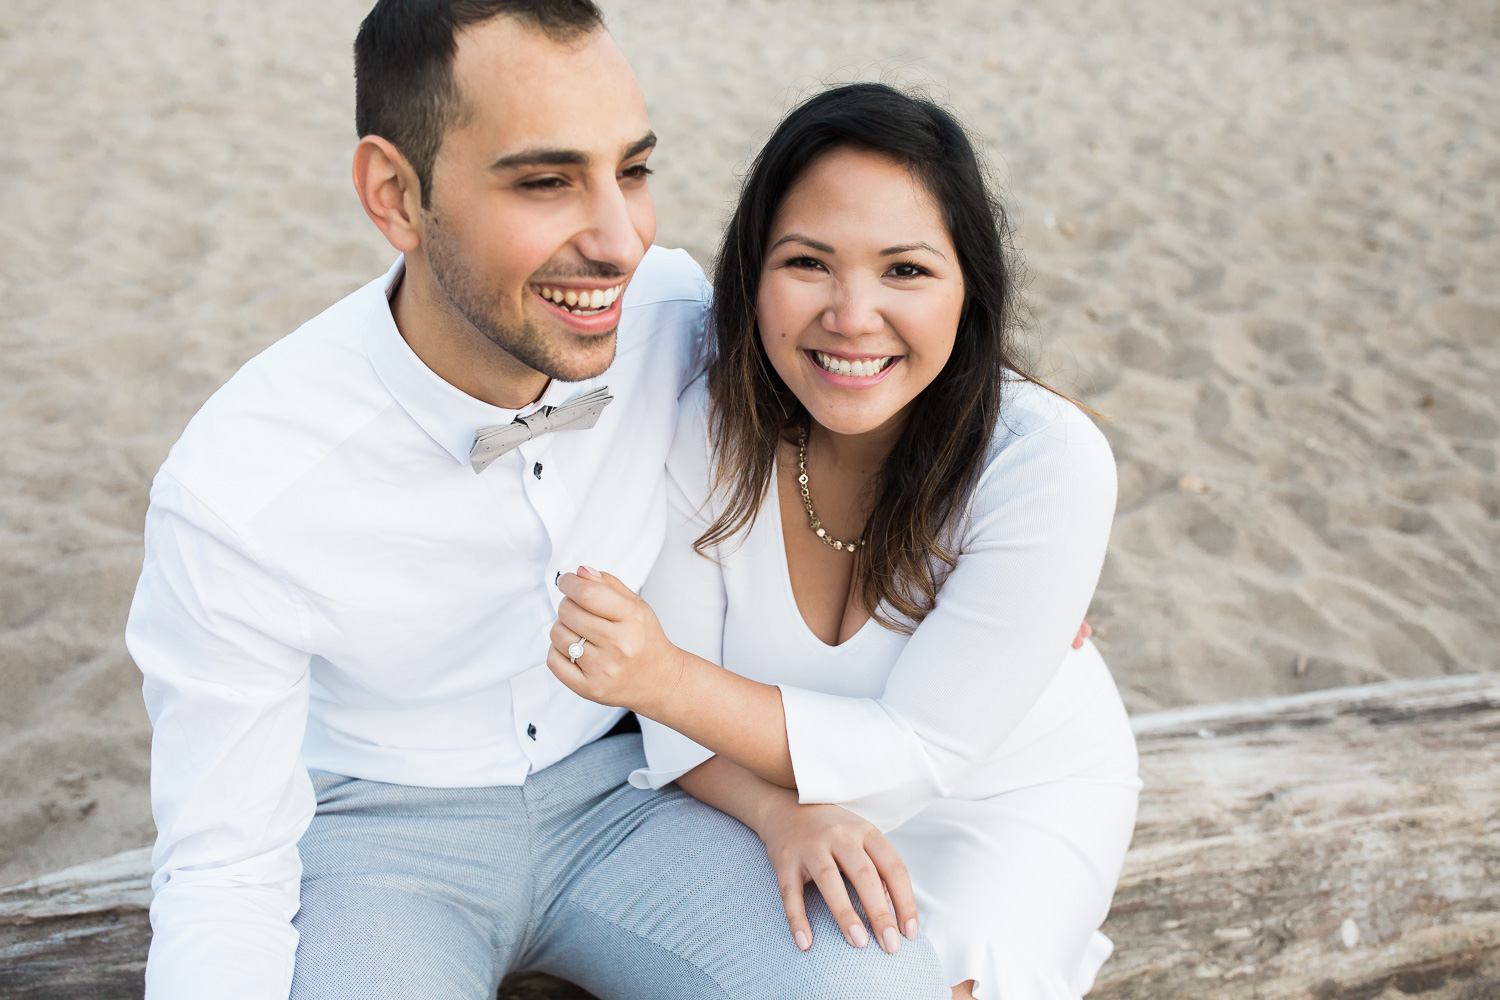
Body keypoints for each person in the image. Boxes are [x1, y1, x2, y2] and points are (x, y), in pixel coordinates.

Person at [124, 4, 959, 998]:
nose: (620, 238)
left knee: (887, 984)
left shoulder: (670, 311)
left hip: (632, 790)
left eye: (634, 171)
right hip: (373, 840)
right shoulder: (241, 487)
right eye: (547, 181)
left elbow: (870, 366)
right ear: (395, 195)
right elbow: (219, 869)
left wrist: (998, 515)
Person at [544, 83, 1142, 999]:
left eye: (905, 270)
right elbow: (678, 722)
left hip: (1003, 795)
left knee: (961, 979)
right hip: (773, 799)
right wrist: (778, 814)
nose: (853, 316)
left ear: (968, 288)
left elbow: (914, 750)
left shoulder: (1044, 462)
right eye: (809, 263)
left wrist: (660, 675)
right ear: (751, 275)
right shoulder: (709, 425)